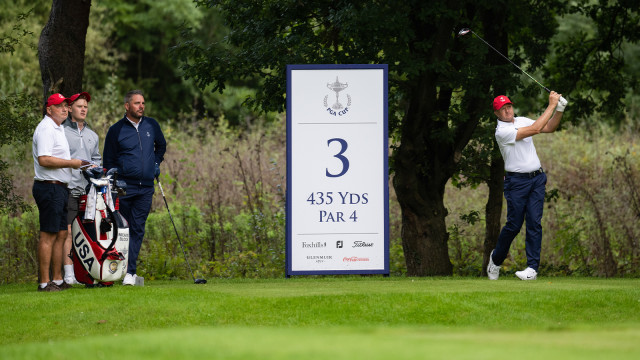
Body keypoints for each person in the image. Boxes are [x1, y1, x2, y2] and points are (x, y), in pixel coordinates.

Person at [487, 91, 566, 281]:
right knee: (514, 225)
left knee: (534, 222)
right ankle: (495, 259)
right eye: (502, 109)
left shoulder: (521, 120)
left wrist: (560, 109)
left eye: (509, 106)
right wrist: (551, 105)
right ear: (497, 113)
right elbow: (536, 129)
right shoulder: (502, 132)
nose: (507, 111)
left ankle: (532, 268)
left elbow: (548, 127)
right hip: (517, 183)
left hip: (537, 179)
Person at [103, 90, 166, 285]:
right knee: (122, 228)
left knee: (138, 228)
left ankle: (130, 272)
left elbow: (161, 146)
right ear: (127, 106)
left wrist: (155, 163)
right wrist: (115, 182)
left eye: (143, 103)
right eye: (137, 103)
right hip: (123, 186)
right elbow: (109, 160)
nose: (141, 106)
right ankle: (116, 269)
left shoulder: (151, 125)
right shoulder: (116, 130)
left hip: (146, 187)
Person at [32, 93, 88, 292]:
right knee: (48, 234)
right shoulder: (46, 128)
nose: (64, 109)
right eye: (59, 106)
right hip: (49, 186)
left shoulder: (58, 129)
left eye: (66, 106)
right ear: (49, 109)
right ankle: (44, 283)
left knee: (62, 233)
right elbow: (44, 159)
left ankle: (57, 279)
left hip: (60, 187)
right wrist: (73, 163)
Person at [62, 92, 101, 285]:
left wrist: (96, 168)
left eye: (85, 106)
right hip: (68, 188)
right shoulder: (61, 131)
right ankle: (68, 276)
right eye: (79, 106)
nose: (84, 109)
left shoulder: (93, 135)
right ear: (70, 109)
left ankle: (87, 272)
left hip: (88, 191)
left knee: (86, 232)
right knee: (67, 232)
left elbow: (97, 161)